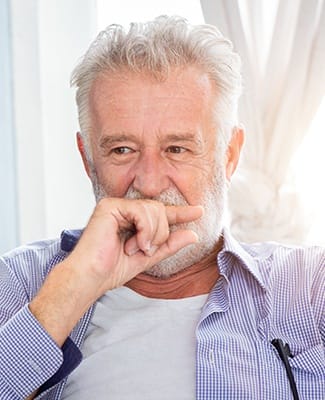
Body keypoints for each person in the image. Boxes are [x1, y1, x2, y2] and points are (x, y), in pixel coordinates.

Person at [0, 15, 324, 400]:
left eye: (177, 149)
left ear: (229, 156)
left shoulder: (309, 287)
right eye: (122, 150)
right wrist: (73, 287)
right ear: (88, 160)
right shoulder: (19, 283)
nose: (150, 183)